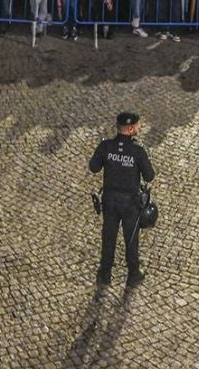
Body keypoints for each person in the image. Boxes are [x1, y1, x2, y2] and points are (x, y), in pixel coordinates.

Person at [89, 111, 154, 286]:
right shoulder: (138, 151)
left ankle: (105, 273)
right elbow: (149, 176)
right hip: (130, 204)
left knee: (108, 236)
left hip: (110, 200)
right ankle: (133, 274)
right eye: (139, 126)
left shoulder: (106, 146)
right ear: (131, 128)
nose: (140, 128)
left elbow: (93, 167)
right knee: (131, 238)